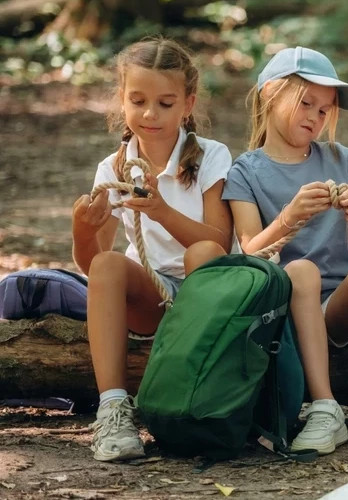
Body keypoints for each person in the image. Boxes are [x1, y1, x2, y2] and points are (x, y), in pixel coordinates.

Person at [223, 47, 348, 455]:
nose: (314, 118)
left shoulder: (339, 158)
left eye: (324, 111)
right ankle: (324, 408)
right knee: (300, 270)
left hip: (339, 306)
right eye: (306, 104)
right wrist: (290, 216)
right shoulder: (244, 171)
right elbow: (251, 248)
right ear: (269, 95)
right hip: (286, 309)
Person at [72, 38, 232, 461]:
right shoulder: (113, 169)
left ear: (187, 103)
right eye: (137, 100)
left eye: (164, 103)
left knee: (204, 255)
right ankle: (113, 410)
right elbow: (94, 266)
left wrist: (160, 212)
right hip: (151, 299)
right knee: (109, 264)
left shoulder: (212, 156)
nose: (149, 114)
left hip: (205, 300)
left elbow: (220, 241)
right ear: (121, 102)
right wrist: (82, 230)